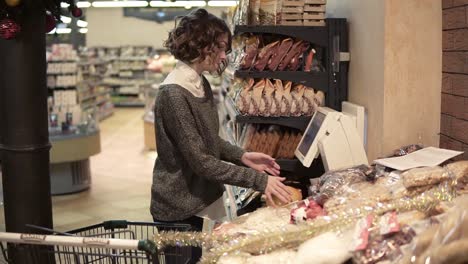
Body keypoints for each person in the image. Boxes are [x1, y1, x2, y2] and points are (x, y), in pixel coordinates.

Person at [150, 8, 292, 263]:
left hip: (200, 200)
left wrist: (243, 156)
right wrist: (259, 181)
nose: (226, 55)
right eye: (222, 47)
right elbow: (200, 161)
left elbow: (207, 139)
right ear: (203, 45)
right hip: (180, 209)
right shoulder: (173, 94)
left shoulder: (199, 82)